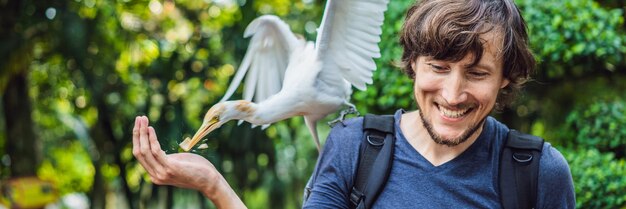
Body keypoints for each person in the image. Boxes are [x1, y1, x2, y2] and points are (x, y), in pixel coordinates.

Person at [133, 0, 576, 208]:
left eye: (477, 73)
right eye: (439, 67)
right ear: (413, 65)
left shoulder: (537, 173)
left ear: (506, 80)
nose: (453, 94)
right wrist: (213, 185)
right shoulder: (352, 147)